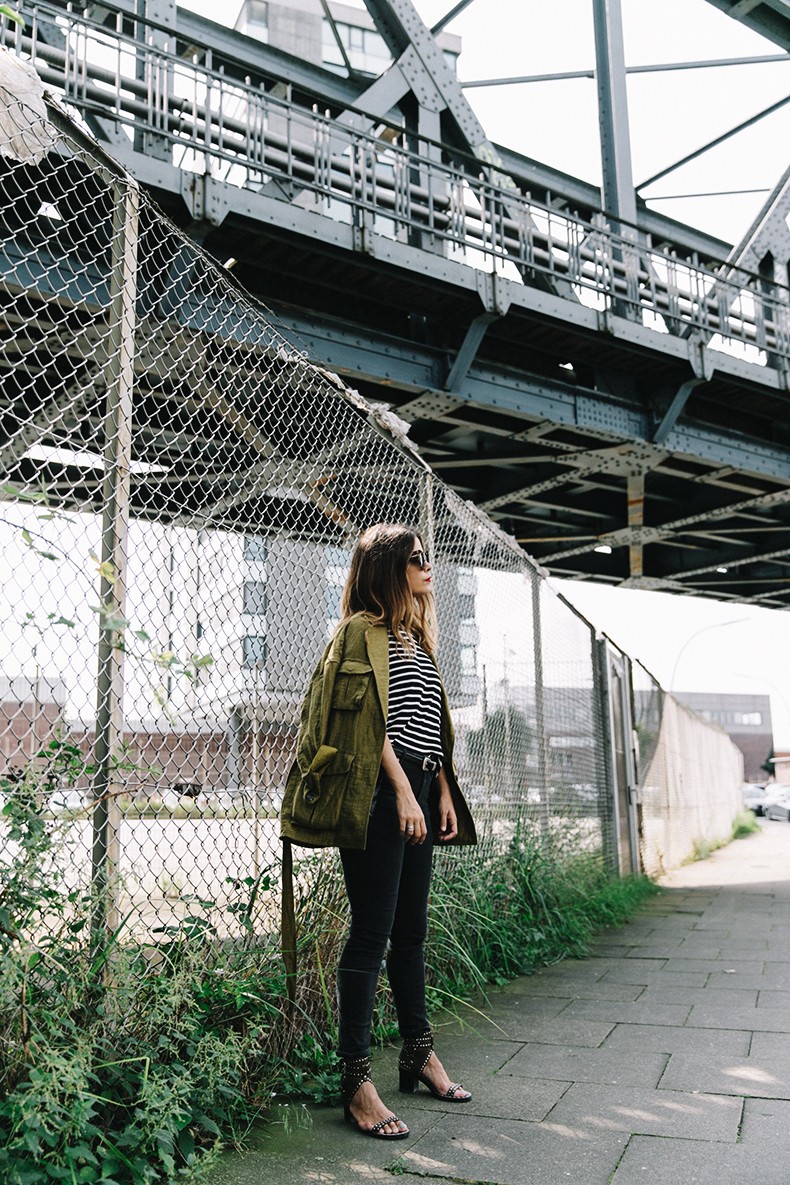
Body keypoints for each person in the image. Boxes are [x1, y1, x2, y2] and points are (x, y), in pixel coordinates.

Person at [280, 523, 477, 1140]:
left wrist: (439, 787)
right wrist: (399, 792)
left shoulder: (416, 637)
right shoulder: (357, 634)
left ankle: (418, 1052)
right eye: (417, 560)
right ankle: (355, 1081)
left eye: (427, 558)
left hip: (420, 789)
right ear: (389, 571)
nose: (428, 568)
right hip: (375, 795)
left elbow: (427, 717)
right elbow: (366, 725)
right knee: (370, 935)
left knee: (411, 933)